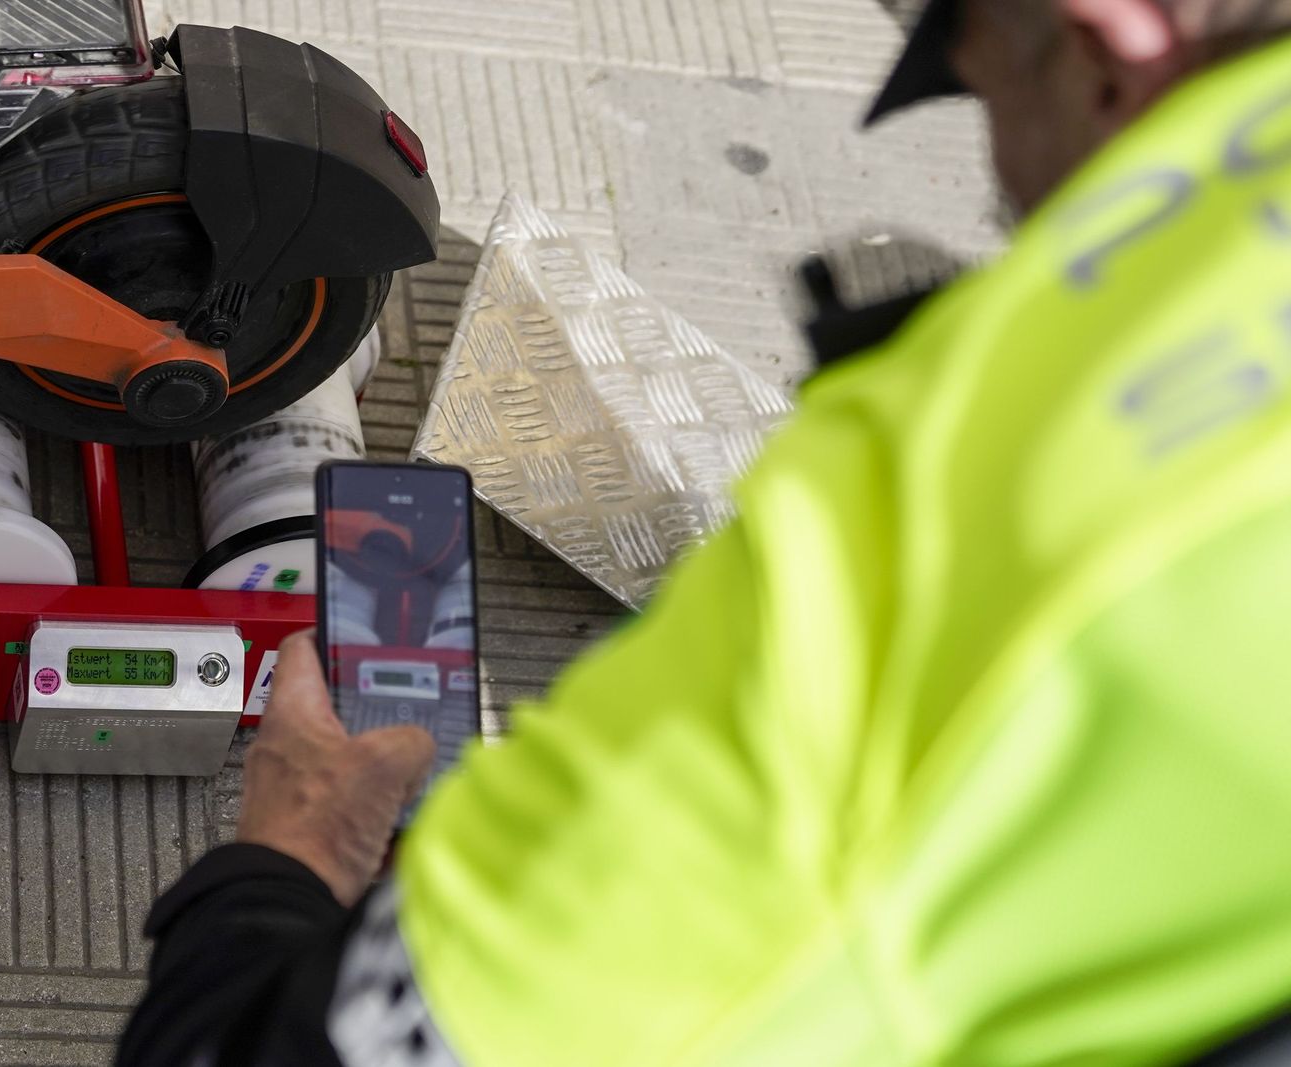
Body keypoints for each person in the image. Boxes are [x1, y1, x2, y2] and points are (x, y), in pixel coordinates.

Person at [119, 0, 1291, 1063]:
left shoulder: (962, 518)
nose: (1003, 186)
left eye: (981, 90)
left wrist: (294, 851)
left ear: (1105, 43)